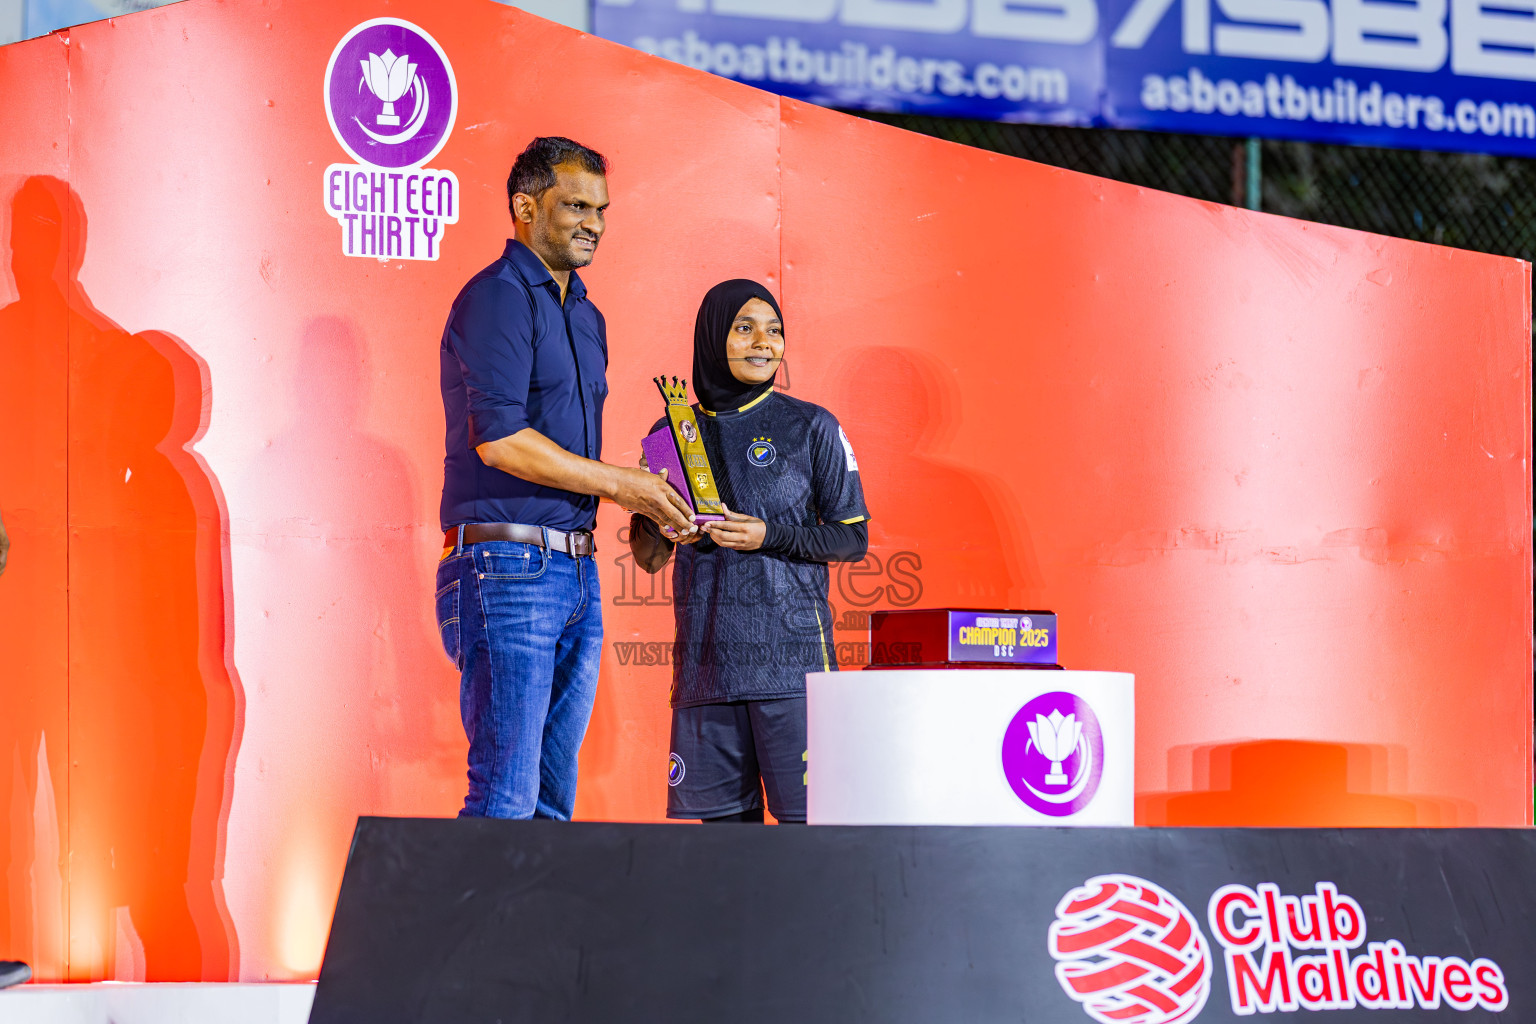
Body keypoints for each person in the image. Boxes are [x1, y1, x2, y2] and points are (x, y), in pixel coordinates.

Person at [437, 137, 696, 820]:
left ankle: (532, 933)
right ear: (525, 206)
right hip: (506, 563)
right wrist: (622, 485)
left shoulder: (587, 315)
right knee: (505, 795)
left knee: (553, 807)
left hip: (574, 572)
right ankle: (469, 933)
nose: (595, 223)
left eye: (602, 209)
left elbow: (578, 459)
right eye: (576, 205)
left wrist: (655, 497)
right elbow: (498, 440)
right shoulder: (495, 297)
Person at [630, 280, 870, 823]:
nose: (765, 342)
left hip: (793, 675)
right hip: (704, 677)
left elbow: (852, 538)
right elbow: (648, 557)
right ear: (713, 336)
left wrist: (771, 535)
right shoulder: (672, 429)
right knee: (721, 865)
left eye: (775, 330)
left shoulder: (810, 425)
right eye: (745, 328)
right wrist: (657, 513)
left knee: (810, 843)